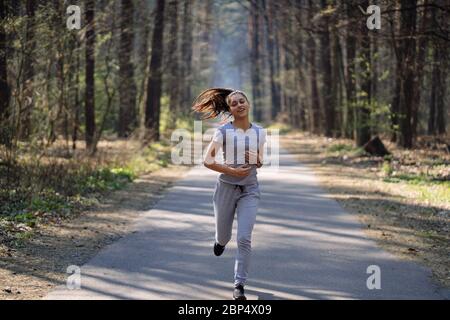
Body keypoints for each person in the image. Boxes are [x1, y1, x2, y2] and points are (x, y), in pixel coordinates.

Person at [192, 88, 266, 300]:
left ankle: (239, 284)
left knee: (244, 238)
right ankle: (220, 241)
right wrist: (232, 171)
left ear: (248, 104)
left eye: (242, 101)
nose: (239, 105)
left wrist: (257, 160)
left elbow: (260, 160)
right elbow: (208, 160)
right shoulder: (223, 132)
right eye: (234, 103)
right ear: (230, 109)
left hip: (249, 190)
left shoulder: (260, 132)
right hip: (225, 189)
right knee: (224, 236)